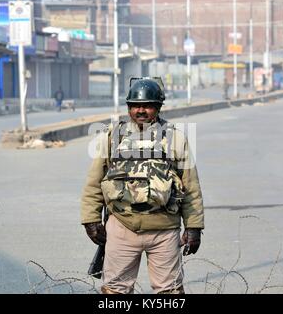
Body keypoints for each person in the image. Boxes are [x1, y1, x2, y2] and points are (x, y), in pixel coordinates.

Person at [81, 77, 205, 294]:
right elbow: (94, 183)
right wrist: (91, 221)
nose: (141, 111)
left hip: (164, 231)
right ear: (129, 108)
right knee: (115, 292)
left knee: (170, 292)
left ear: (157, 107)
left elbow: (190, 186)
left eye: (147, 106)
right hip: (121, 227)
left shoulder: (175, 138)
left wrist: (194, 227)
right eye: (136, 106)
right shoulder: (112, 138)